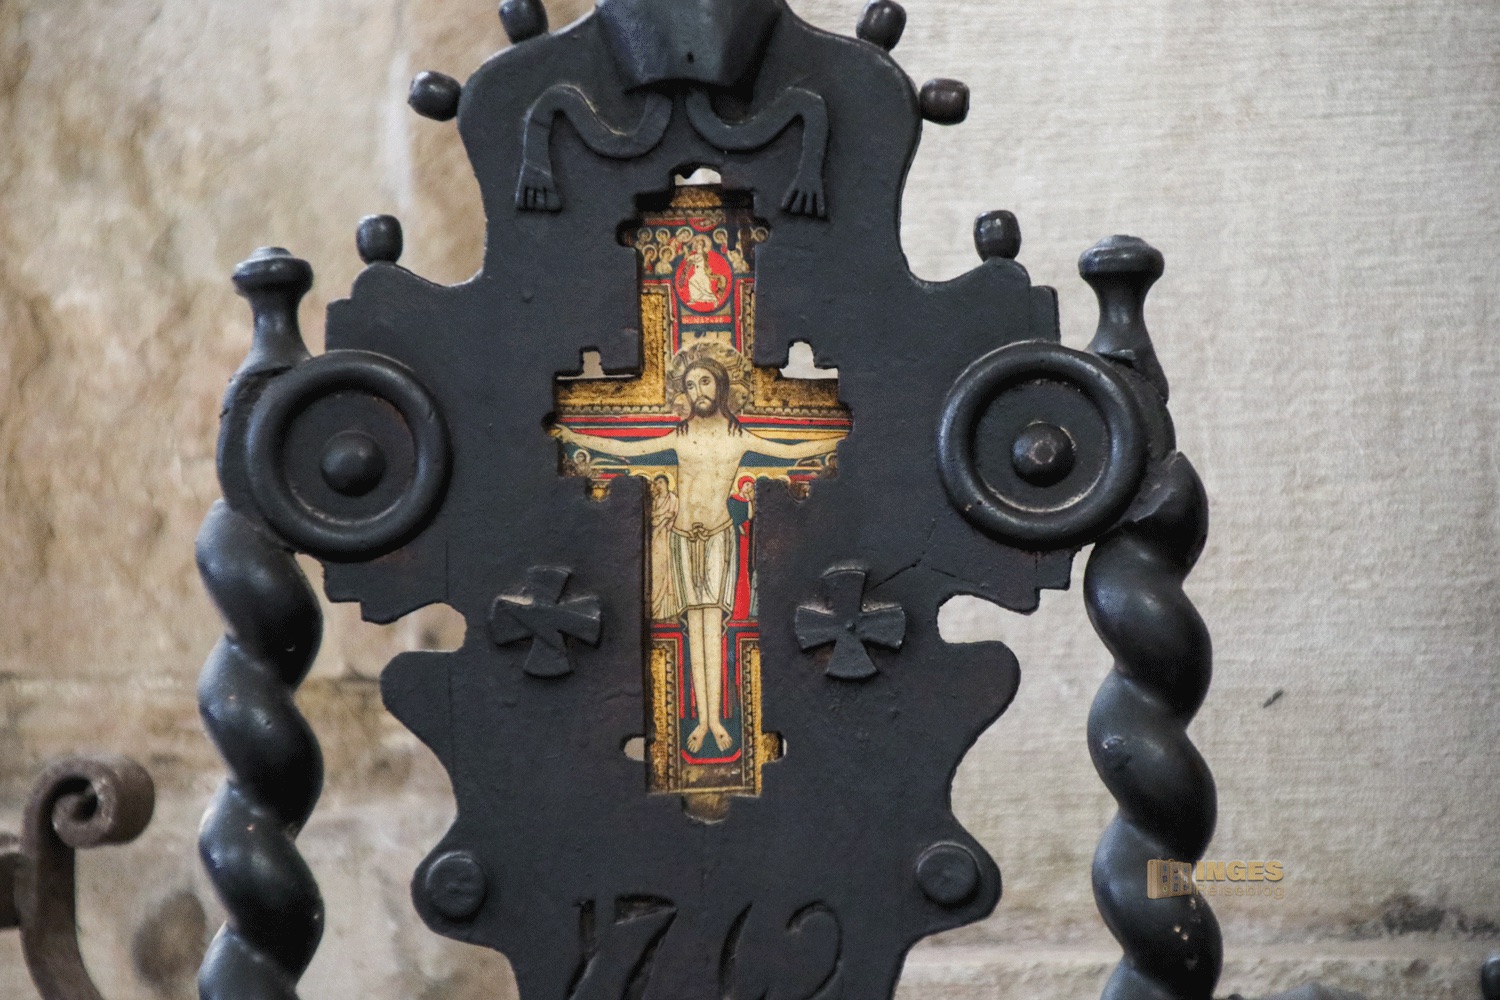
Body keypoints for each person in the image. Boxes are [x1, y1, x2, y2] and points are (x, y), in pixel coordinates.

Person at [554, 351, 839, 753]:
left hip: (720, 537)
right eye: (689, 385)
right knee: (695, 631)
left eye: (705, 382)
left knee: (713, 630)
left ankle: (714, 720)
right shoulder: (679, 436)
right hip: (683, 539)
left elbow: (789, 450)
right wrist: (573, 435)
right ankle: (704, 720)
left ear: (720, 386)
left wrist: (843, 438)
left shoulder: (739, 438)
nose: (697, 391)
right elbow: (626, 449)